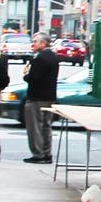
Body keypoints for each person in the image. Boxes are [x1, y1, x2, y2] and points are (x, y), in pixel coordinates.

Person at [22, 32, 59, 163]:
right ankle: (47, 153)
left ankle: (38, 154)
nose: (34, 43)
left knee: (35, 127)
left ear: (43, 43)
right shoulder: (54, 57)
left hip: (36, 97)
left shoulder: (40, 58)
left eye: (36, 41)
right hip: (49, 97)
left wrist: (26, 75)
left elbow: (34, 78)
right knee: (46, 126)